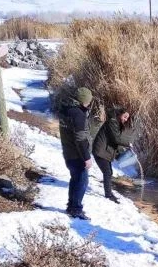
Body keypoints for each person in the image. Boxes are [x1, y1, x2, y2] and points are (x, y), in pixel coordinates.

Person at [59, 87, 94, 220]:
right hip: (77, 154)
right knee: (82, 181)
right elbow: (80, 139)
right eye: (88, 101)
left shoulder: (66, 110)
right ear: (84, 100)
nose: (89, 103)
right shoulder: (78, 114)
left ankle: (71, 206)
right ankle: (76, 209)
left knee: (75, 179)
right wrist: (86, 157)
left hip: (68, 152)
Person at [92, 106, 138, 203]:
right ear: (119, 114)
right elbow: (116, 139)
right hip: (100, 151)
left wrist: (121, 152)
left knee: (108, 172)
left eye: (127, 118)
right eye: (124, 117)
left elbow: (115, 142)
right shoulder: (112, 122)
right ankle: (108, 195)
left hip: (103, 151)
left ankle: (108, 193)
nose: (125, 119)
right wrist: (128, 144)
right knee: (108, 172)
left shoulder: (115, 123)